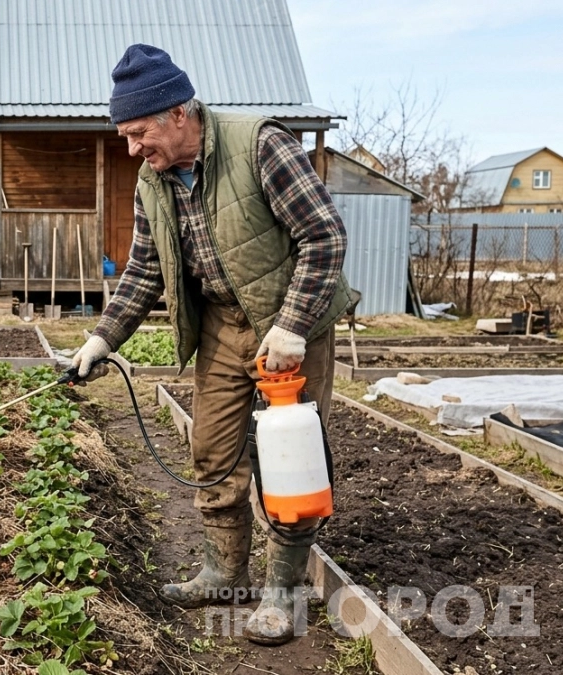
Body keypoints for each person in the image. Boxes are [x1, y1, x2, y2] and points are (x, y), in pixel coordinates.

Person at [72, 44, 358, 645]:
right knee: (212, 450)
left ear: (180, 114)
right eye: (124, 135)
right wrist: (103, 338)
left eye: (139, 132)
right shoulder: (153, 180)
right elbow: (146, 270)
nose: (132, 149)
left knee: (291, 459)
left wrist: (292, 326)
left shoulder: (260, 145)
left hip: (291, 320)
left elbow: (324, 235)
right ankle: (225, 573)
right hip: (223, 326)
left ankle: (283, 590)